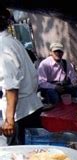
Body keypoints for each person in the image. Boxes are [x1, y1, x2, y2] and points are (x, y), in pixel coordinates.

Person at [0, 6, 43, 145]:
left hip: (20, 115)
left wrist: (9, 120)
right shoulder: (13, 42)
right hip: (29, 109)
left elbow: (11, 86)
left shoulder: (3, 46)